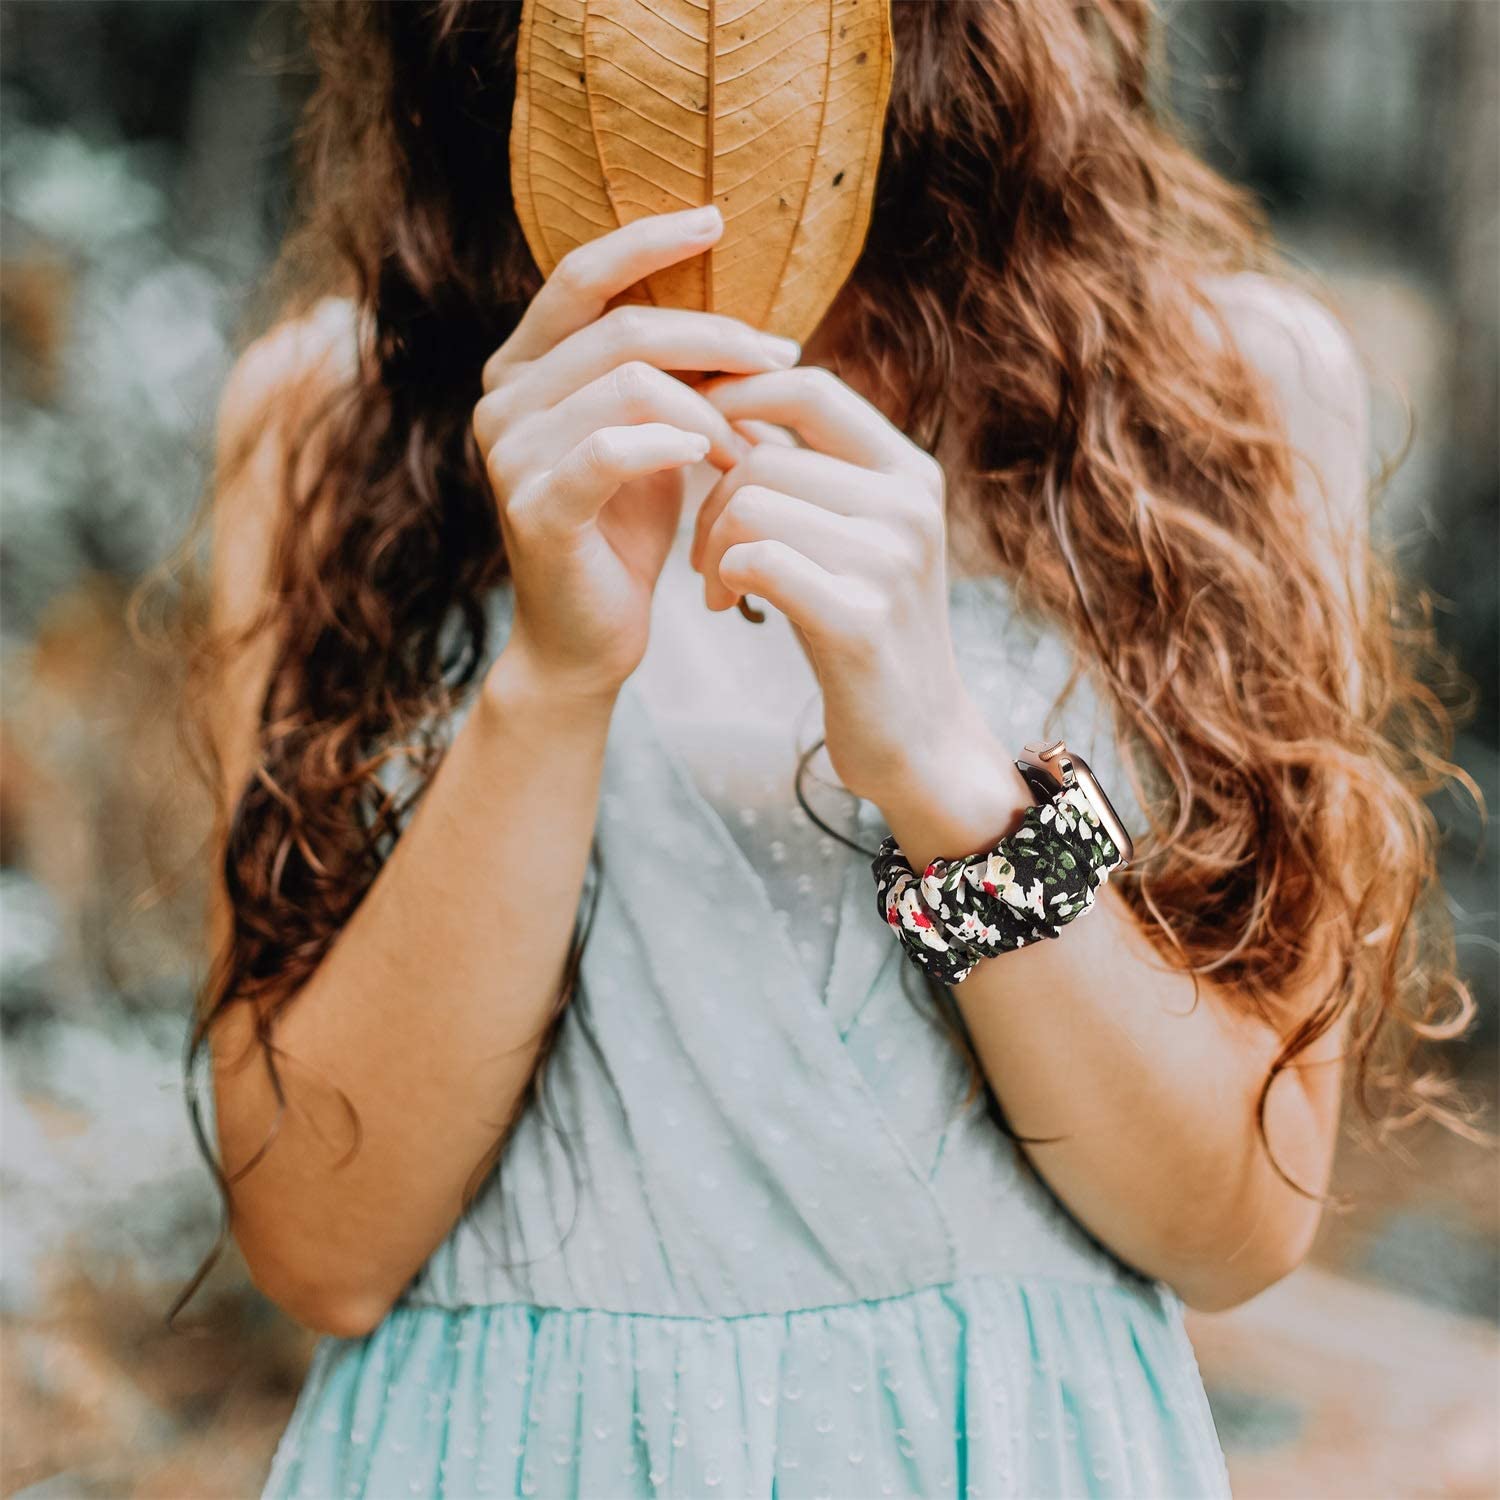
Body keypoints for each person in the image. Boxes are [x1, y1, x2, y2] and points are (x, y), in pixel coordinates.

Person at [160, 2, 1478, 1497]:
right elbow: (319, 1250)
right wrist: (550, 683)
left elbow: (1235, 1224)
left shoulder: (1218, 391)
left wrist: (944, 771)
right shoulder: (339, 412)